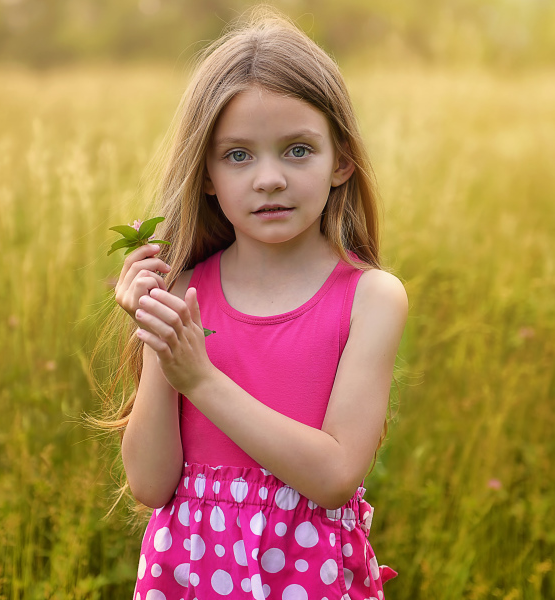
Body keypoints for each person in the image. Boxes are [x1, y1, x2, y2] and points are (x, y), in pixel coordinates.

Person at [105, 8, 408, 599]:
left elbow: (333, 477)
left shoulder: (369, 298)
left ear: (341, 160)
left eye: (297, 150)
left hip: (303, 580)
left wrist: (200, 378)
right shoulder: (182, 288)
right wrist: (157, 330)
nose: (269, 178)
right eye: (238, 155)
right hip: (188, 580)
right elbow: (149, 482)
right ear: (208, 174)